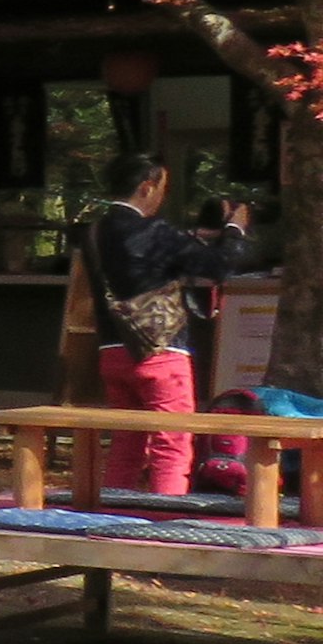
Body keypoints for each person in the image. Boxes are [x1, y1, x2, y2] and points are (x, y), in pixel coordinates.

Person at [83, 153, 257, 494]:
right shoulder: (156, 231)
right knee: (172, 441)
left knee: (126, 443)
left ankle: (117, 510)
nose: (163, 194)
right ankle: (167, 517)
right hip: (162, 351)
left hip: (112, 348)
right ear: (147, 187)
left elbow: (144, 257)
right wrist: (235, 228)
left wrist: (195, 234)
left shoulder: (96, 230)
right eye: (162, 187)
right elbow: (218, 266)